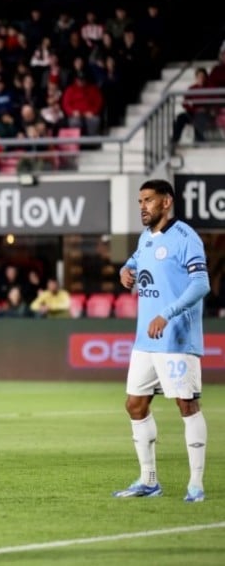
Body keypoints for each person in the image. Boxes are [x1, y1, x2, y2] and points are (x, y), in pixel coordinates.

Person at [113, 180, 210, 503]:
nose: (142, 206)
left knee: (186, 405)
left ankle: (195, 484)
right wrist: (126, 269)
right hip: (145, 341)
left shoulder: (186, 238)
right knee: (135, 404)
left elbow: (200, 285)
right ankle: (148, 480)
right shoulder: (145, 238)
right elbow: (136, 261)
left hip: (177, 340)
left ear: (166, 202)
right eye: (140, 200)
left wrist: (166, 314)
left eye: (149, 200)